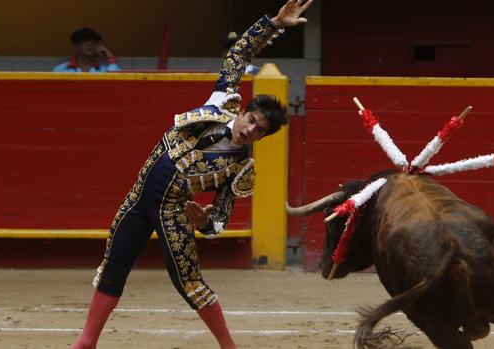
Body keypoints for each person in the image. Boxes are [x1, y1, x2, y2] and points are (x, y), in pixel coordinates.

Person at [70, 1, 313, 348]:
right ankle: (86, 343)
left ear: (262, 137)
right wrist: (274, 23)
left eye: (258, 130)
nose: (249, 130)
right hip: (138, 198)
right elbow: (238, 55)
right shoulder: (221, 102)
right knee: (112, 269)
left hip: (172, 213)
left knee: (190, 284)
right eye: (251, 120)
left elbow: (220, 220)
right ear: (243, 111)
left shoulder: (242, 169)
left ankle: (229, 347)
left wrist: (203, 223)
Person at [53, 27, 121, 73]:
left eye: (93, 42)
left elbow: (119, 83)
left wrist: (110, 57)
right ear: (76, 45)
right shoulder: (60, 70)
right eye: (85, 41)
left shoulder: (105, 69)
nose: (90, 44)